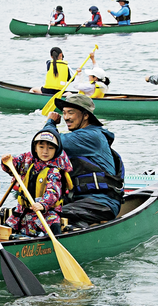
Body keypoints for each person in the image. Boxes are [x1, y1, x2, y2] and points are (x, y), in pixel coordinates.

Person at [45, 92, 124, 226]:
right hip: (79, 201)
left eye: (71, 112)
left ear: (86, 115)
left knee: (49, 217)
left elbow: (48, 143)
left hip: (101, 202)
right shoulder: (81, 136)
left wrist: (50, 122)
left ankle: (76, 230)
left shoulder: (89, 136)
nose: (66, 117)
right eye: (64, 113)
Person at [0, 129, 75, 238]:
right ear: (35, 148)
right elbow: (13, 165)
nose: (45, 151)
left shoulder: (54, 170)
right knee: (6, 229)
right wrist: (6, 161)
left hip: (47, 212)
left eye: (50, 148)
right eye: (41, 147)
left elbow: (53, 191)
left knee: (54, 227)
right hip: (24, 211)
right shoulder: (28, 159)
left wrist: (42, 204)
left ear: (56, 150)